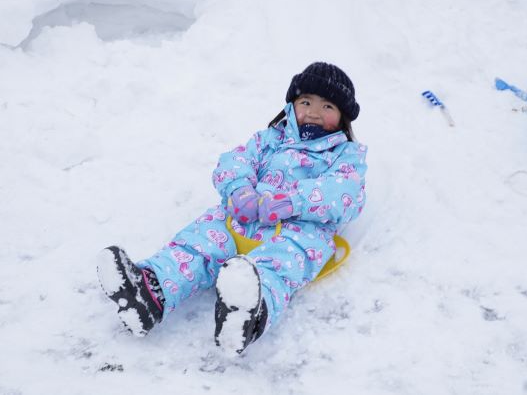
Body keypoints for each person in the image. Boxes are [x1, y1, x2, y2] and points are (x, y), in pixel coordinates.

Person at [96, 62, 368, 355]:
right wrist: (239, 191)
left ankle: (247, 313)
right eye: (305, 102)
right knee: (198, 244)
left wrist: (291, 201)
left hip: (299, 230)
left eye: (327, 106)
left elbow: (344, 192)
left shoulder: (346, 154)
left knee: (278, 267)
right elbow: (234, 162)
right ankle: (150, 291)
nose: (313, 112)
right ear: (291, 105)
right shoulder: (268, 139)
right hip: (242, 218)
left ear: (343, 117)